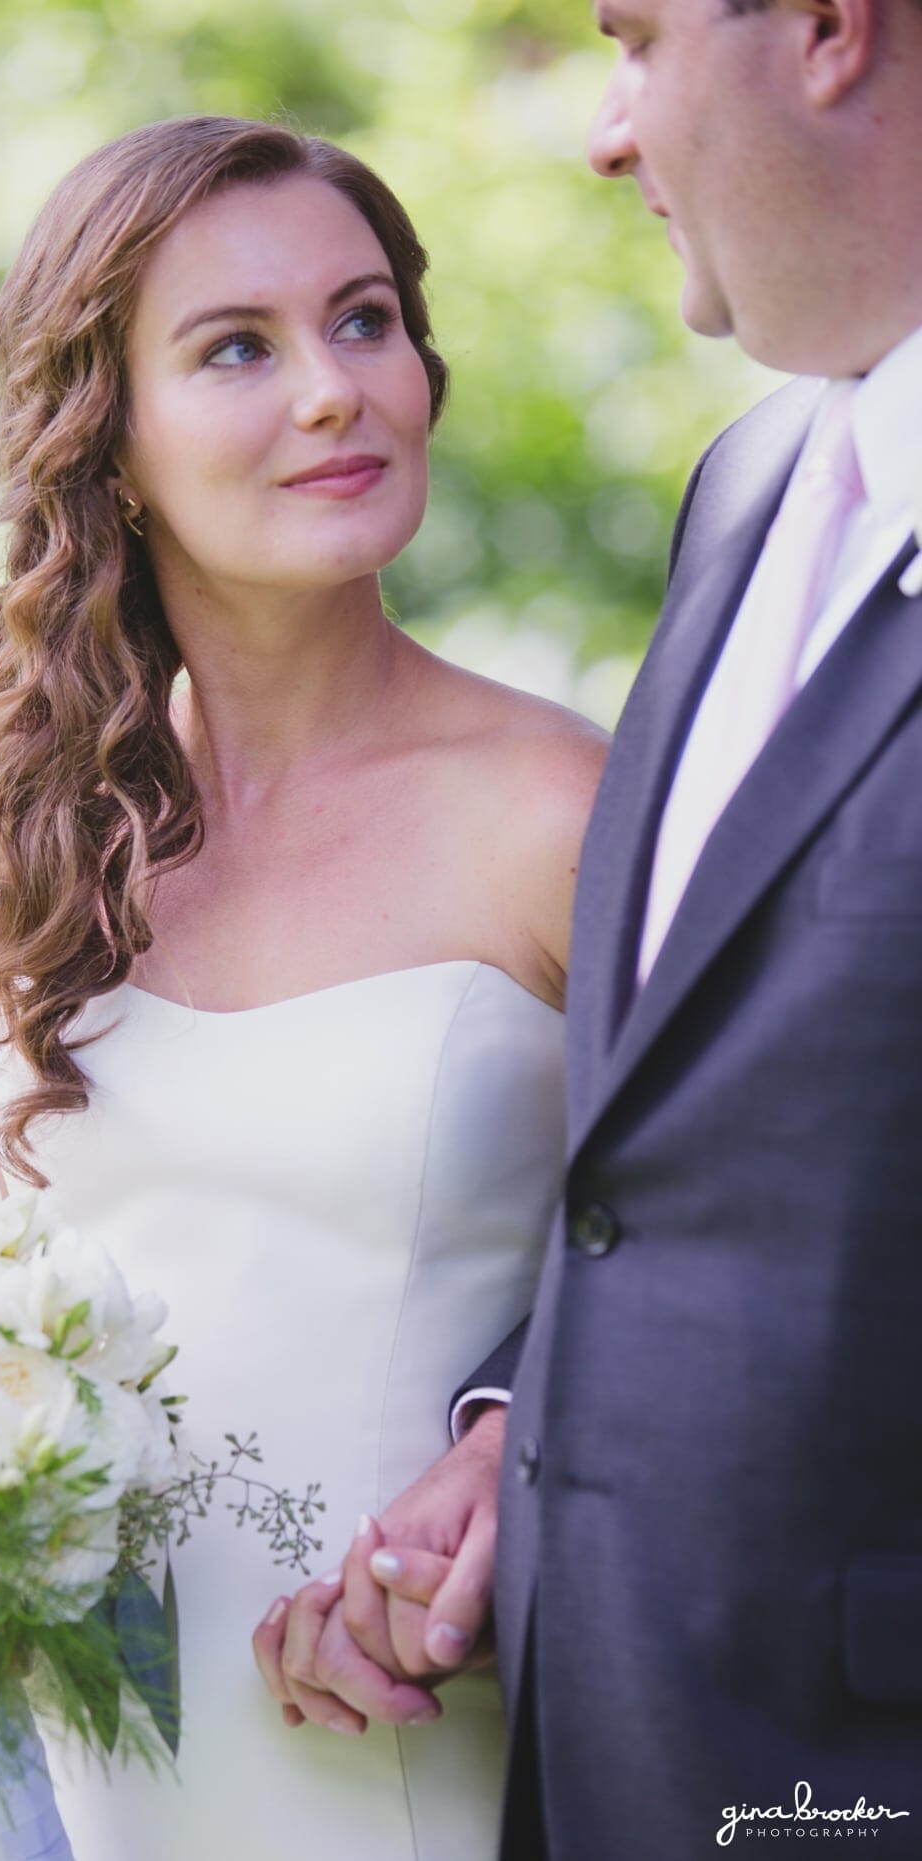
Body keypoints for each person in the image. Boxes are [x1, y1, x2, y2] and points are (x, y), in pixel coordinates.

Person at [0, 117, 606, 1859]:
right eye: (237, 349)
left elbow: (725, 1276)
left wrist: (508, 1467)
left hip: (399, 1742)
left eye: (363, 320)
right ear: (105, 439)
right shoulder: (17, 843)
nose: (337, 391)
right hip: (44, 1773)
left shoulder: (568, 814)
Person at [259, 0, 922, 1854]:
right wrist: (509, 1431)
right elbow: (689, 1162)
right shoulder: (751, 492)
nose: (604, 133)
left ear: (822, 30)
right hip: (609, 1747)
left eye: (632, 41)